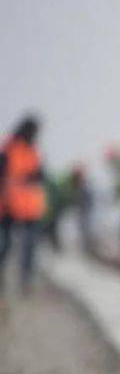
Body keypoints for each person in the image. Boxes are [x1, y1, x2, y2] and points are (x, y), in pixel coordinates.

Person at [0, 115, 47, 292]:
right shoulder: (8, 149)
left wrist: (34, 177)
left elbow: (41, 174)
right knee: (5, 244)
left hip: (30, 207)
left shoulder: (34, 150)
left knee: (30, 245)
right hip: (9, 205)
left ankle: (26, 279)